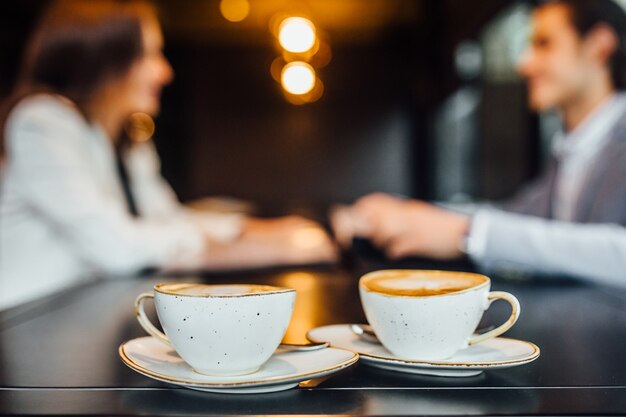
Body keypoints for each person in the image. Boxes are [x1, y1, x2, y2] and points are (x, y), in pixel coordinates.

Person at [0, 0, 336, 310]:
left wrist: (264, 230)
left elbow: (165, 219)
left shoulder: (127, 140)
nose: (165, 71)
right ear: (105, 58)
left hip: (86, 314)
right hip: (25, 327)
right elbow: (119, 247)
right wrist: (260, 249)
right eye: (151, 55)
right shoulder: (41, 122)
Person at [331, 0, 626, 287]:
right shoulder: (571, 149)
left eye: (544, 44)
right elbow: (516, 217)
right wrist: (403, 214)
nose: (524, 64)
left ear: (600, 44)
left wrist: (468, 234)